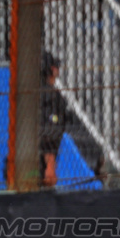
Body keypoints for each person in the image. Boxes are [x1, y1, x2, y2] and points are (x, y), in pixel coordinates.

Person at [39, 51, 69, 186]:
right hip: (41, 167)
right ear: (52, 70)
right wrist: (50, 165)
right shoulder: (52, 97)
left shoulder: (32, 93)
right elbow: (49, 133)